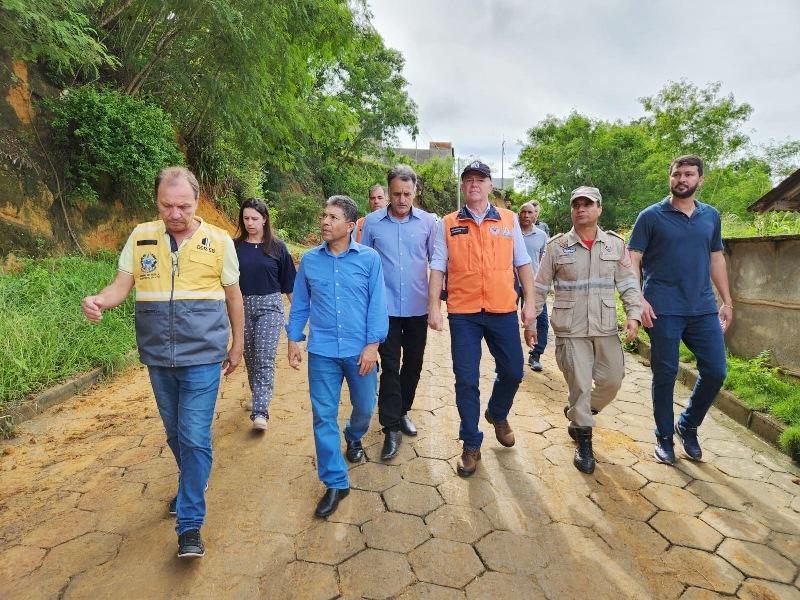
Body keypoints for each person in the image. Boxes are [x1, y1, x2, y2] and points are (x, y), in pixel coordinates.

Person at [81, 166, 244, 559]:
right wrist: (101, 300)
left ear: (197, 201)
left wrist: (238, 344)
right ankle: (193, 478)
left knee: (193, 435)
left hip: (203, 355)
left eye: (183, 206)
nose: (174, 213)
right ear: (157, 203)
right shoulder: (141, 237)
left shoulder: (219, 241)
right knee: (175, 433)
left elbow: (233, 297)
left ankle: (190, 524)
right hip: (157, 355)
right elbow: (121, 285)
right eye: (166, 205)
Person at [428, 160, 536, 477]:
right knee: (466, 379)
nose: (474, 183)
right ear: (462, 186)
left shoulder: (508, 220)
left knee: (514, 371)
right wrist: (434, 306)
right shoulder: (447, 223)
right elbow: (437, 266)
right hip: (464, 313)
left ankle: (497, 412)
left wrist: (530, 303)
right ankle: (471, 443)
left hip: (502, 309)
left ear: (490, 186)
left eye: (481, 179)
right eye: (469, 179)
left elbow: (523, 263)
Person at [287, 195, 388, 518]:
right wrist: (293, 338)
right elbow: (300, 302)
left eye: (332, 217)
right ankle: (335, 481)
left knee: (364, 407)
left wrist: (373, 345)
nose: (325, 222)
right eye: (324, 216)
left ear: (349, 226)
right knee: (322, 416)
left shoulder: (369, 260)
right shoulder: (310, 261)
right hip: (323, 353)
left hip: (361, 352)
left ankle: (354, 435)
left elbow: (377, 304)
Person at [527, 186, 641, 473]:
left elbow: (628, 283)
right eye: (576, 205)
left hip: (604, 326)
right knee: (579, 384)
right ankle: (584, 441)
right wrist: (531, 321)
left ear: (599, 209)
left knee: (613, 379)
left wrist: (634, 315)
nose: (581, 209)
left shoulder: (615, 245)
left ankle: (579, 412)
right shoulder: (556, 247)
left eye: (587, 204)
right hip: (570, 328)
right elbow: (540, 287)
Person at [628, 155, 732, 465]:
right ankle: (663, 438)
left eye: (688, 174)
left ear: (700, 180)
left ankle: (687, 425)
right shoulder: (651, 216)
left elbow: (716, 259)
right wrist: (639, 300)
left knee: (716, 371)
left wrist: (726, 301)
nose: (682, 179)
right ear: (670, 178)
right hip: (662, 308)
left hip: (702, 308)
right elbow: (634, 258)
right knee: (666, 373)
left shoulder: (711, 216)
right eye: (677, 174)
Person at [361, 165, 436, 460]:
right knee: (390, 365)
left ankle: (403, 410)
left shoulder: (429, 223)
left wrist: (435, 303)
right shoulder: (372, 223)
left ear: (415, 191)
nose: (402, 199)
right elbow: (363, 263)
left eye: (407, 194)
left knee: (413, 364)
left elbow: (437, 263)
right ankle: (390, 425)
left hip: (417, 307)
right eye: (396, 194)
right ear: (388, 192)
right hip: (385, 308)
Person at [234, 198, 296, 431]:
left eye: (255, 219)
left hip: (270, 306)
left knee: (264, 357)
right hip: (242, 307)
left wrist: (300, 316)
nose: (250, 223)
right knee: (250, 357)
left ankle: (261, 411)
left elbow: (289, 284)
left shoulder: (277, 247)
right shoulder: (234, 247)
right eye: (246, 218)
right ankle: (257, 394)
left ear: (265, 219)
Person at [518, 201, 549, 372]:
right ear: (519, 214)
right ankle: (510, 356)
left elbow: (543, 260)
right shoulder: (511, 233)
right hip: (510, 283)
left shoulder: (542, 236)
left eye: (530, 212)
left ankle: (535, 354)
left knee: (541, 321)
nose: (527, 215)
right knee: (505, 320)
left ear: (536, 215)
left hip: (534, 285)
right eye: (523, 212)